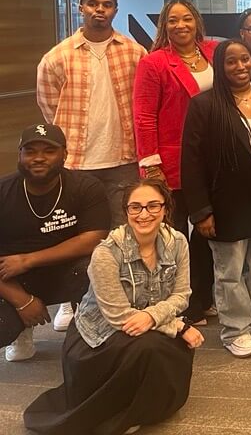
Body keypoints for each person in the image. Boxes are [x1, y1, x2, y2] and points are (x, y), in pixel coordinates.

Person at [23, 178, 202, 434]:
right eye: (135, 207)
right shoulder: (106, 252)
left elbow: (182, 294)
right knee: (149, 346)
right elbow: (118, 315)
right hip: (98, 335)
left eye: (153, 206)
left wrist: (153, 318)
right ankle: (124, 412)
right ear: (126, 211)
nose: (144, 214)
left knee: (166, 344)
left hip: (145, 321)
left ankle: (152, 407)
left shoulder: (178, 243)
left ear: (165, 209)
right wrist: (179, 327)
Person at [36, 0, 145, 334]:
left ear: (115, 9)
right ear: (81, 8)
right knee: (75, 238)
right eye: (93, 3)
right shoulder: (58, 56)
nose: (100, 9)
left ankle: (119, 301)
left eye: (107, 4)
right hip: (76, 164)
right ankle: (73, 303)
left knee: (122, 236)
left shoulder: (134, 53)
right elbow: (49, 109)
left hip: (122, 160)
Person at [180, 40, 251, 358]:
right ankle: (236, 329)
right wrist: (201, 211)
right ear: (220, 66)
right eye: (231, 62)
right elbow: (191, 163)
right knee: (229, 268)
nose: (241, 66)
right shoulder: (204, 105)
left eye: (245, 59)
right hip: (226, 198)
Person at [133, 0, 218, 322]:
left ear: (196, 22)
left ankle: (203, 297)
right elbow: (143, 117)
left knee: (207, 234)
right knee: (174, 236)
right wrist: (151, 166)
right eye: (172, 21)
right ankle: (176, 305)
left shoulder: (212, 53)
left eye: (186, 19)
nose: (180, 26)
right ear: (164, 27)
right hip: (172, 163)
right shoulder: (154, 63)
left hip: (212, 161)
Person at [0, 125, 109, 363]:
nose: (39, 158)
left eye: (49, 150)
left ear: (65, 154)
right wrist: (21, 300)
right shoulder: (3, 192)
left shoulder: (85, 187)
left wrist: (28, 259)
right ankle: (20, 331)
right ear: (19, 155)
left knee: (99, 262)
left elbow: (95, 236)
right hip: (14, 278)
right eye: (30, 151)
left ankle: (84, 326)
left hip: (67, 271)